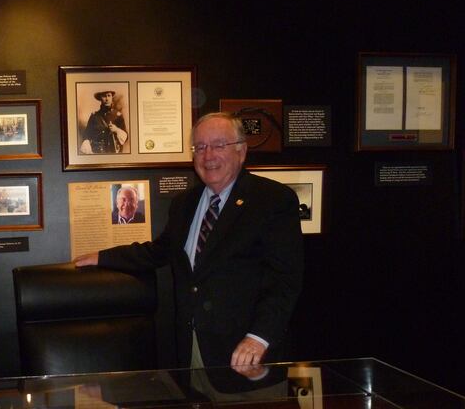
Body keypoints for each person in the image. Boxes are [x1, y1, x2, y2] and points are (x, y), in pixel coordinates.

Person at [74, 112, 303, 369]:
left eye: (218, 145)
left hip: (247, 357)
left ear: (241, 151)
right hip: (191, 351)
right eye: (200, 147)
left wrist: (258, 338)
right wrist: (103, 257)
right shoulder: (185, 203)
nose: (208, 155)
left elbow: (285, 279)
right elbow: (159, 251)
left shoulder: (272, 200)